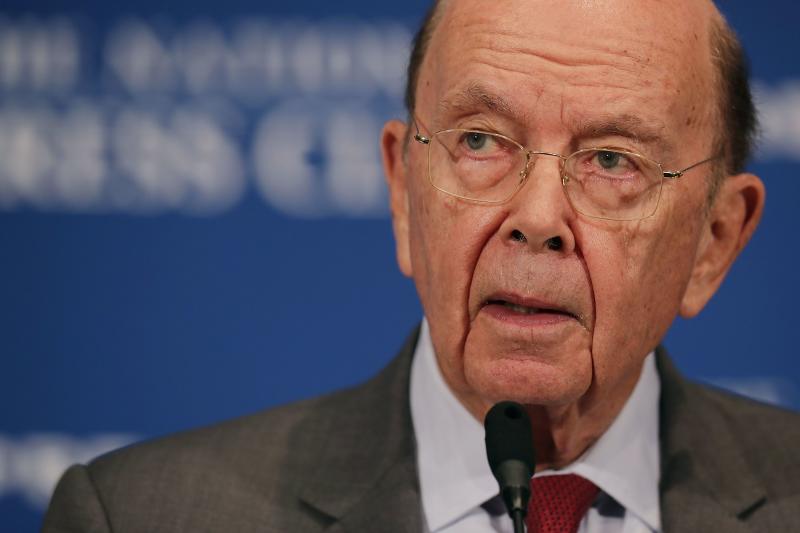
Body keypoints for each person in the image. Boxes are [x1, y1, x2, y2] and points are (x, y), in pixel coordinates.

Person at [43, 0, 800, 532]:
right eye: (480, 141)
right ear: (403, 191)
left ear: (715, 241)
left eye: (611, 160)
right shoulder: (142, 515)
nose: (537, 218)